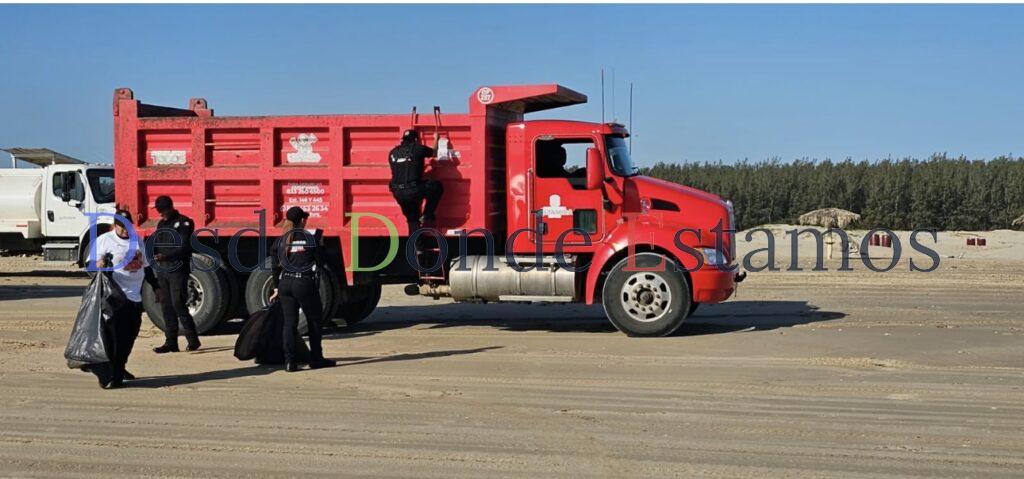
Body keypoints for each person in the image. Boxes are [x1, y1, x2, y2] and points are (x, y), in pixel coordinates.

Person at [89, 210, 161, 389]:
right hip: (115, 297)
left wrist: (156, 287)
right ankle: (114, 375)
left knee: (130, 336)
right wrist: (99, 264)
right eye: (123, 227)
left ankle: (119, 367)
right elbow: (89, 265)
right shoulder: (105, 240)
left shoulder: (137, 240)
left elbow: (146, 267)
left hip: (134, 297)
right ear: (116, 225)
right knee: (115, 338)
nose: (127, 231)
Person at [268, 206, 336, 372]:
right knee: (314, 321)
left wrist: (276, 288)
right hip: (303, 283)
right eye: (305, 218)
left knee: (289, 324)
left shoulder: (280, 240)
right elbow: (320, 262)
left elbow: (275, 268)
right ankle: (316, 358)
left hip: (285, 284)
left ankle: (290, 362)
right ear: (302, 221)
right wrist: (320, 246)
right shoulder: (310, 238)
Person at [151, 195, 201, 353]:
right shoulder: (161, 224)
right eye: (159, 211)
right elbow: (157, 244)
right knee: (166, 306)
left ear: (170, 208)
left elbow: (184, 246)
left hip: (178, 269)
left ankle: (193, 340)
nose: (161, 213)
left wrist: (166, 256)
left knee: (178, 303)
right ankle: (170, 342)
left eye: (163, 210)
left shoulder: (184, 222)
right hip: (163, 270)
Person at [388, 129, 443, 235]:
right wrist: (436, 139)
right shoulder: (418, 148)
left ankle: (418, 250)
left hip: (398, 193)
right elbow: (434, 152)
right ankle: (427, 214)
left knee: (413, 220)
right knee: (437, 186)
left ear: (403, 140)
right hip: (413, 190)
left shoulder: (393, 153)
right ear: (416, 140)